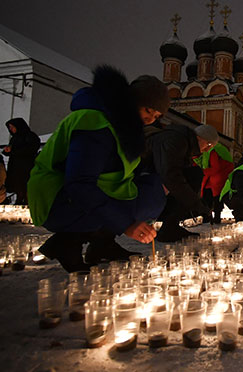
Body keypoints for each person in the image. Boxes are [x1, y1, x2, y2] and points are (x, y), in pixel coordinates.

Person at [29, 66, 169, 272]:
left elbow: (121, 175)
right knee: (143, 200)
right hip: (56, 199)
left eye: (156, 116)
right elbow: (79, 184)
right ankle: (67, 243)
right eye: (148, 110)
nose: (150, 119)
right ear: (131, 100)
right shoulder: (95, 122)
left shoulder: (124, 129)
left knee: (152, 192)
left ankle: (102, 244)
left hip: (81, 196)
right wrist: (127, 224)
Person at [143, 123, 219, 242]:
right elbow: (172, 177)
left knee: (193, 175)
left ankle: (171, 226)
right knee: (194, 174)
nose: (207, 150)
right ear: (199, 138)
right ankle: (169, 228)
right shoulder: (176, 141)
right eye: (208, 144)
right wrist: (196, 204)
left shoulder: (183, 143)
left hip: (152, 181)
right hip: (141, 181)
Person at [194, 141, 234, 224]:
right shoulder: (206, 152)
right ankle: (209, 216)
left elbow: (215, 168)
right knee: (207, 193)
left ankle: (214, 216)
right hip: (212, 176)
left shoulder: (212, 152)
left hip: (218, 175)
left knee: (215, 196)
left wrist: (201, 172)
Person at [3, 118, 41, 204]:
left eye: (12, 127)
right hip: (16, 167)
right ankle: (20, 199)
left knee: (25, 185)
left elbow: (30, 149)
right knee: (18, 186)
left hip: (26, 166)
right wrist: (7, 151)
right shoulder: (14, 138)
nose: (11, 129)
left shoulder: (30, 136)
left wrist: (13, 151)